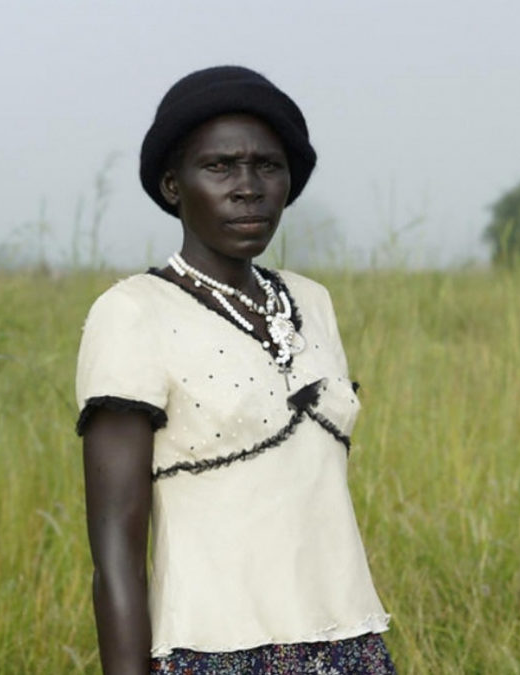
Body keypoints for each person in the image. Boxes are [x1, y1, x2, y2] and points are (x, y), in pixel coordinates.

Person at [75, 65, 395, 674]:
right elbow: (116, 548)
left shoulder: (313, 302)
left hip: (351, 642)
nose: (247, 187)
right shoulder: (132, 313)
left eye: (267, 166)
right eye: (219, 167)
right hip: (216, 651)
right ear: (173, 185)